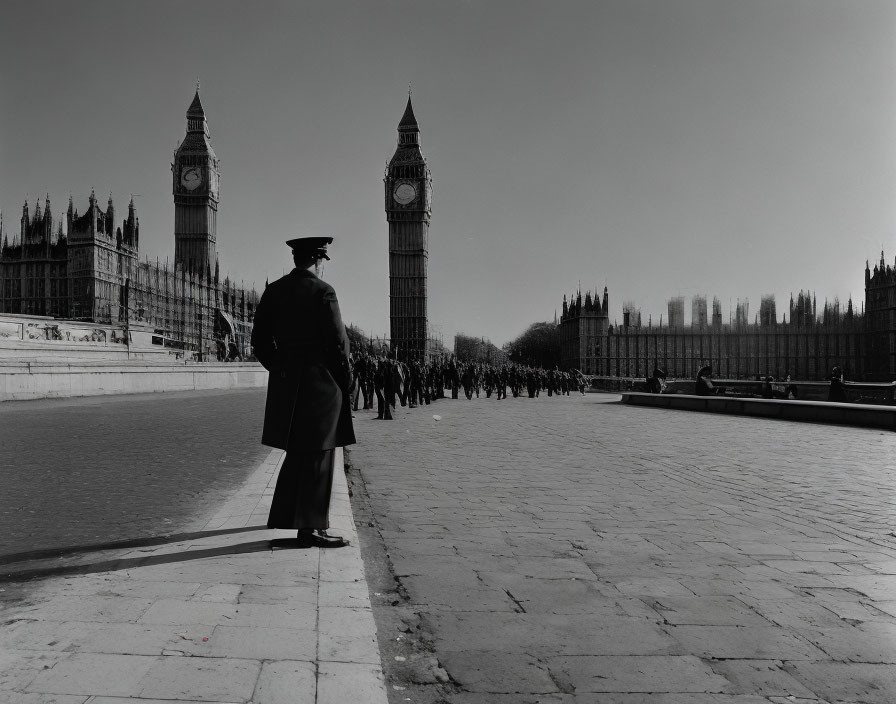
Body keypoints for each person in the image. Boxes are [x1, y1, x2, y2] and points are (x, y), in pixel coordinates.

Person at [251, 236, 355, 548]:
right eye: (323, 260)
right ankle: (311, 529)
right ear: (317, 260)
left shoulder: (274, 290)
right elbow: (338, 345)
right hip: (321, 385)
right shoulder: (324, 292)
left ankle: (295, 521)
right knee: (320, 456)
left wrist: (283, 369)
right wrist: (346, 380)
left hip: (289, 385)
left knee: (297, 454)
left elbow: (259, 343)